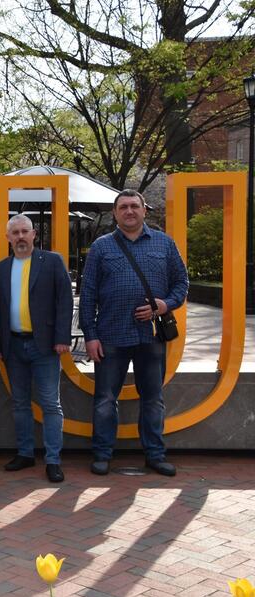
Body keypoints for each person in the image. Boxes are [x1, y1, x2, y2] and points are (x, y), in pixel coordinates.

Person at [79, 189, 188, 477]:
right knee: (105, 399)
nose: (129, 211)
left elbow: (182, 283)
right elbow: (88, 294)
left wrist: (166, 304)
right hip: (111, 336)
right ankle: (102, 454)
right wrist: (90, 334)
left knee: (153, 399)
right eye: (123, 207)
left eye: (134, 206)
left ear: (144, 210)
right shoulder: (101, 247)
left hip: (150, 337)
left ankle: (155, 455)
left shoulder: (164, 244)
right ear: (115, 213)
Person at [0, 215, 73, 483]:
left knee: (50, 403)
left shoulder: (53, 261)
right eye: (15, 232)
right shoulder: (0, 269)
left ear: (34, 234)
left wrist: (62, 338)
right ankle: (25, 453)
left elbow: (64, 302)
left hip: (45, 346)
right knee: (20, 403)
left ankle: (53, 460)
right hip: (13, 347)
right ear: (8, 237)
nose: (21, 236)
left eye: (25, 231)